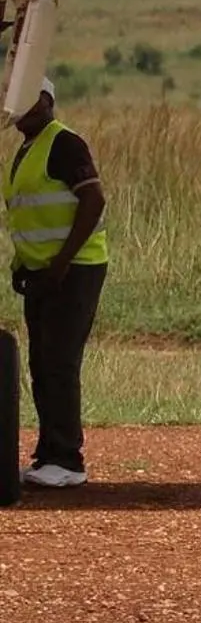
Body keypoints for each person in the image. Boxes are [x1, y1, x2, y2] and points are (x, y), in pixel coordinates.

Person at [5, 78, 108, 490]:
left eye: (26, 99)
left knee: (60, 363)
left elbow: (94, 199)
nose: (17, 108)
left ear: (46, 101)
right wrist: (24, 266)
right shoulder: (27, 151)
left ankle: (67, 458)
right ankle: (49, 455)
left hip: (74, 269)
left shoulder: (63, 143)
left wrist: (62, 263)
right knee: (42, 364)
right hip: (43, 273)